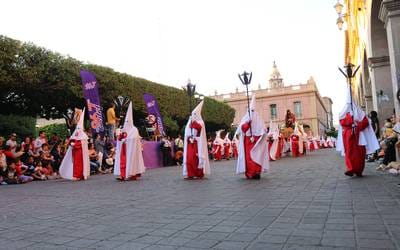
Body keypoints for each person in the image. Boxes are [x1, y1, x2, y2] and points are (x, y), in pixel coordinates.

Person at [336, 87, 379, 177]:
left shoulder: (360, 112)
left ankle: (359, 170)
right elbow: (342, 122)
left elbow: (365, 122)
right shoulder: (344, 113)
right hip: (348, 136)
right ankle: (350, 169)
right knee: (349, 152)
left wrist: (357, 124)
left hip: (359, 135)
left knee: (360, 153)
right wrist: (349, 119)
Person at [236, 95, 269, 179]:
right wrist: (247, 124)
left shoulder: (259, 119)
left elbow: (264, 130)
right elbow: (242, 129)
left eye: (253, 111)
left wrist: (259, 135)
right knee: (249, 158)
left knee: (257, 157)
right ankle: (250, 173)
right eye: (251, 111)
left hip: (257, 143)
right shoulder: (245, 119)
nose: (252, 113)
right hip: (247, 141)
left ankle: (257, 172)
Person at [114, 102, 145, 181]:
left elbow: (135, 140)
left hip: (132, 151)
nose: (126, 123)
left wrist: (126, 140)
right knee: (123, 162)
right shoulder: (124, 129)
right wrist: (121, 139)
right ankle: (123, 175)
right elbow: (120, 138)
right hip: (124, 150)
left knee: (132, 162)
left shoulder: (134, 130)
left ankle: (132, 174)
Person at [59, 108, 90, 181]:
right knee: (76, 164)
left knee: (79, 164)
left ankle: (79, 175)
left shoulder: (83, 135)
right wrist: (72, 143)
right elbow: (72, 139)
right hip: (76, 152)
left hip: (80, 152)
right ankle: (77, 175)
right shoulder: (76, 132)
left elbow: (82, 143)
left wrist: (74, 144)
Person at [183, 100, 210, 179]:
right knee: (189, 159)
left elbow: (200, 131)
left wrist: (194, 124)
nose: (193, 116)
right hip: (190, 144)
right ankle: (190, 174)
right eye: (192, 114)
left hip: (197, 144)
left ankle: (198, 173)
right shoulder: (189, 122)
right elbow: (186, 133)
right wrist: (189, 138)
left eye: (195, 114)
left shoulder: (200, 122)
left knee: (196, 159)